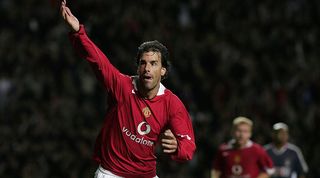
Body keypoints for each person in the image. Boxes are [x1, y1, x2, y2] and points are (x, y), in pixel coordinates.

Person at [60, 1, 196, 178]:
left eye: (153, 64)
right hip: (111, 173)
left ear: (163, 71)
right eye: (143, 63)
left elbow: (188, 145)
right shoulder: (123, 86)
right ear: (138, 67)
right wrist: (79, 32)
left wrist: (178, 148)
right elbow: (98, 61)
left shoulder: (172, 104)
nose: (147, 68)